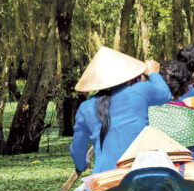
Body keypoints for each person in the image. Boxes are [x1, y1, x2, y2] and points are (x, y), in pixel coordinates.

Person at [70, 47, 170, 175]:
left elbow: (77, 149)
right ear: (127, 74)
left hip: (103, 178)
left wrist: (82, 164)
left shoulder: (85, 107)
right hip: (140, 173)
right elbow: (165, 94)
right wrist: (153, 73)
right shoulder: (140, 90)